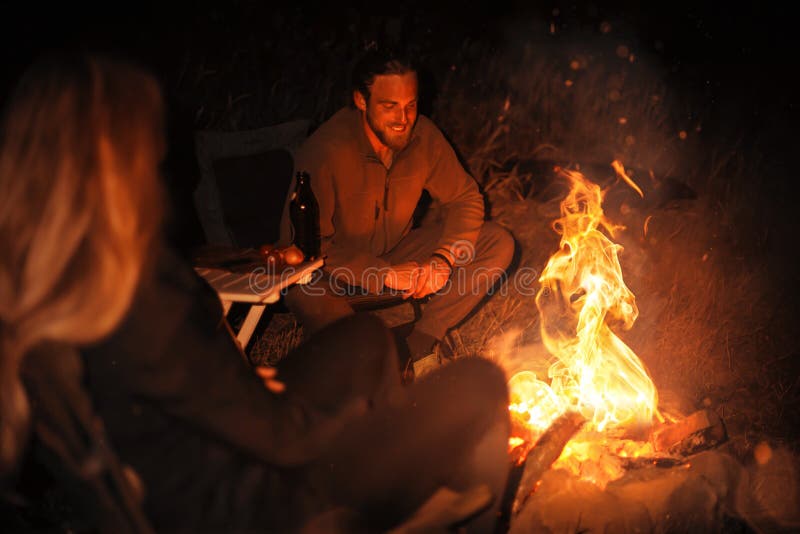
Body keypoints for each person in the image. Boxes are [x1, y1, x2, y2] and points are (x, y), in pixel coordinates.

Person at [0, 53, 511, 533]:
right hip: (278, 505)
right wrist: (364, 428)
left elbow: (205, 397)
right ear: (112, 162)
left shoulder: (40, 297)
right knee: (480, 383)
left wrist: (254, 388)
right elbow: (285, 440)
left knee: (365, 340)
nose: (160, 164)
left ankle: (403, 370)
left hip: (222, 459)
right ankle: (408, 506)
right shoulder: (140, 298)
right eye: (148, 146)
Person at [280, 47, 515, 375]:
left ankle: (418, 343)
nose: (403, 119)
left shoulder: (423, 137)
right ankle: (361, 357)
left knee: (498, 242)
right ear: (362, 101)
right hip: (328, 272)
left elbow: (465, 198)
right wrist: (381, 273)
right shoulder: (326, 151)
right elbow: (303, 248)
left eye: (411, 105)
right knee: (321, 309)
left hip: (394, 254)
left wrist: (443, 258)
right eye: (390, 107)